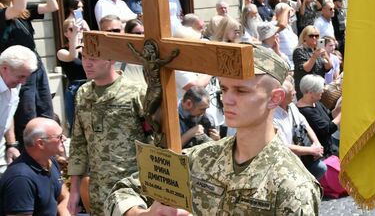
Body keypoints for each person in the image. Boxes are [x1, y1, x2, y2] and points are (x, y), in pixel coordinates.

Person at [104, 45, 321, 215]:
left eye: (241, 91)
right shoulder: (203, 158)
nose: (227, 99)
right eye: (225, 89)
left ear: (275, 98)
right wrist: (143, 214)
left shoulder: (292, 184)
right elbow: (123, 189)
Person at [67, 53, 149, 214]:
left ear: (111, 59)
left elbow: (153, 140)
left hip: (131, 190)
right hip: (98, 191)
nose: (87, 63)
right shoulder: (83, 93)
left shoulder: (137, 92)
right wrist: (74, 190)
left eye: (93, 58)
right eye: (84, 57)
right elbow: (78, 143)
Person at [1, 0, 59, 143]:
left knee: (45, 109)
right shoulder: (4, 13)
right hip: (17, 70)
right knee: (27, 115)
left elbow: (53, 6)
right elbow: (17, 9)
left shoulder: (23, 11)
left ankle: (48, 151)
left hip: (35, 65)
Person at [0, 118, 68, 215]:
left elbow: (64, 196)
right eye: (59, 137)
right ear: (40, 143)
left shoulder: (50, 161)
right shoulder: (20, 179)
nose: (64, 139)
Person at [275, 78, 327, 179]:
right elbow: (283, 146)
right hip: (286, 163)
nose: (295, 92)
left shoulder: (292, 107)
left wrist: (317, 144)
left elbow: (306, 125)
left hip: (302, 158)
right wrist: (311, 150)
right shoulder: (272, 117)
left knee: (321, 168)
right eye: (292, 91)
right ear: (281, 95)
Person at [0, 46, 38, 174]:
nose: (24, 81)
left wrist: (11, 144)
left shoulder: (14, 84)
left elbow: (7, 112)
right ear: (4, 68)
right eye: (21, 76)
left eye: (26, 76)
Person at [296, 75, 340, 157]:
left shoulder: (316, 102)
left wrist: (339, 109)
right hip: (322, 155)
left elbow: (328, 117)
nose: (323, 91)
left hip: (329, 147)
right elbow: (327, 129)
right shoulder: (306, 112)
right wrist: (341, 115)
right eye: (320, 89)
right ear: (310, 93)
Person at [56, 18, 88, 133]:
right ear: (66, 33)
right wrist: (75, 35)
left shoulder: (88, 48)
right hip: (76, 88)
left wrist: (86, 28)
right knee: (77, 127)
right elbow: (72, 56)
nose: (76, 30)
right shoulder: (62, 51)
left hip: (91, 85)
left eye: (79, 28)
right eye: (71, 29)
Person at [293, 26, 332, 99]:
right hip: (306, 90)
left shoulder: (319, 50)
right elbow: (306, 69)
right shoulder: (299, 51)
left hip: (319, 88)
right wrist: (314, 56)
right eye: (311, 36)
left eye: (316, 36)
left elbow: (328, 67)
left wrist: (325, 55)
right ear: (304, 37)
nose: (314, 38)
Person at [275, 2, 299, 68]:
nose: (289, 15)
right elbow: (282, 25)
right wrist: (286, 9)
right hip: (283, 64)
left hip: (293, 63)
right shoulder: (274, 25)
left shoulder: (289, 26)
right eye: (287, 13)